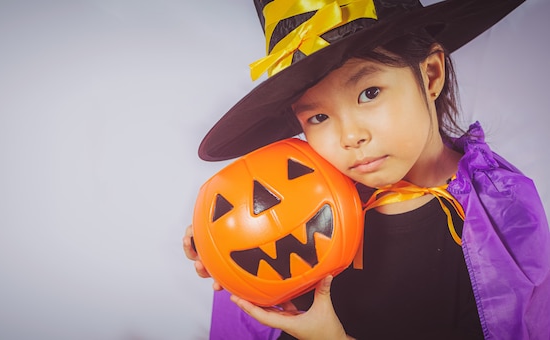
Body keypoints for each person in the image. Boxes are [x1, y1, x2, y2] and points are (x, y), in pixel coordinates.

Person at [182, 0, 550, 339]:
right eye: (319, 116)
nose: (350, 136)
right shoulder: (307, 207)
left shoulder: (501, 208)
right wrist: (226, 240)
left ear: (431, 75)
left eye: (369, 93)